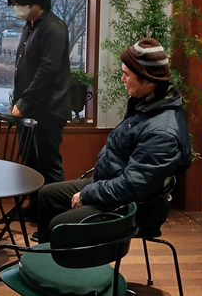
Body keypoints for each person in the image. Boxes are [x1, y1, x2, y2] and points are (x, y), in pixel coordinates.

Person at [35, 38, 192, 243]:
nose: (122, 79)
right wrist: (93, 189)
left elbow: (133, 187)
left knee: (60, 225)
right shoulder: (146, 105)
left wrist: (88, 194)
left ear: (149, 81)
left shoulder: (162, 133)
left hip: (134, 207)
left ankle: (70, 261)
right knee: (47, 195)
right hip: (111, 186)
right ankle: (48, 257)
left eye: (127, 74)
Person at [6, 0, 71, 217]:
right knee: (31, 162)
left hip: (48, 109)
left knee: (48, 163)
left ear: (34, 2)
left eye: (18, 3)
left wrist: (24, 101)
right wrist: (19, 102)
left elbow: (47, 70)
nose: (16, 8)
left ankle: (54, 217)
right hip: (28, 108)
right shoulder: (30, 26)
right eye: (13, 4)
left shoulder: (52, 27)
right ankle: (35, 208)